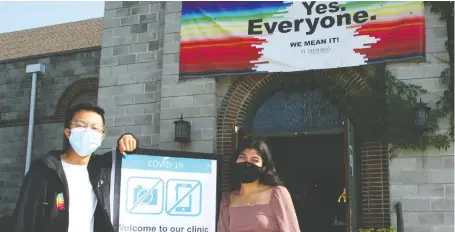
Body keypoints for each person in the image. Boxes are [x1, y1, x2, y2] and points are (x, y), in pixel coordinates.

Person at [13, 103, 139, 232]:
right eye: (80, 125)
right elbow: (24, 219)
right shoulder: (44, 170)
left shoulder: (101, 170)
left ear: (101, 137)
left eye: (94, 128)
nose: (87, 132)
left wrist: (128, 138)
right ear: (68, 132)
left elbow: (126, 153)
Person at [217, 139, 300, 232]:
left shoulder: (277, 193)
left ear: (264, 167)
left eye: (254, 160)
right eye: (242, 157)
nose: (247, 163)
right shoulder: (228, 199)